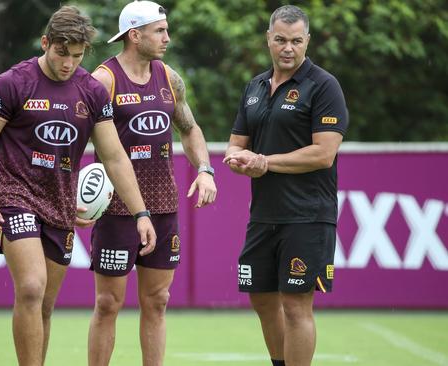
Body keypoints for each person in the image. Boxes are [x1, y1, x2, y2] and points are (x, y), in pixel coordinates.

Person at [0, 5, 156, 365]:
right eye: (61, 53)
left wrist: (140, 212)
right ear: (45, 42)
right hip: (15, 196)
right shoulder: (12, 83)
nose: (68, 63)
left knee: (46, 305)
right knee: (31, 288)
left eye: (77, 56)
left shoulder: (92, 91)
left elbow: (114, 157)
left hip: (61, 205)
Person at [88, 1, 217, 365]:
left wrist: (205, 169)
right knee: (108, 303)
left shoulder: (168, 77)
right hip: (117, 209)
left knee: (157, 301)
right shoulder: (103, 80)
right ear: (135, 34)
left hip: (162, 205)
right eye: (160, 30)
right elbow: (78, 139)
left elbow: (189, 129)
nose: (167, 38)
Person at [223, 5, 349, 366]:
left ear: (307, 41)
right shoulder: (255, 86)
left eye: (296, 41)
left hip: (307, 215)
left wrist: (265, 162)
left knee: (296, 306)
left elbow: (324, 154)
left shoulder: (324, 86)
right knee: (261, 298)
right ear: (268, 39)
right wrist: (238, 159)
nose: (288, 48)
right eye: (280, 40)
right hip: (263, 215)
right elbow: (236, 143)